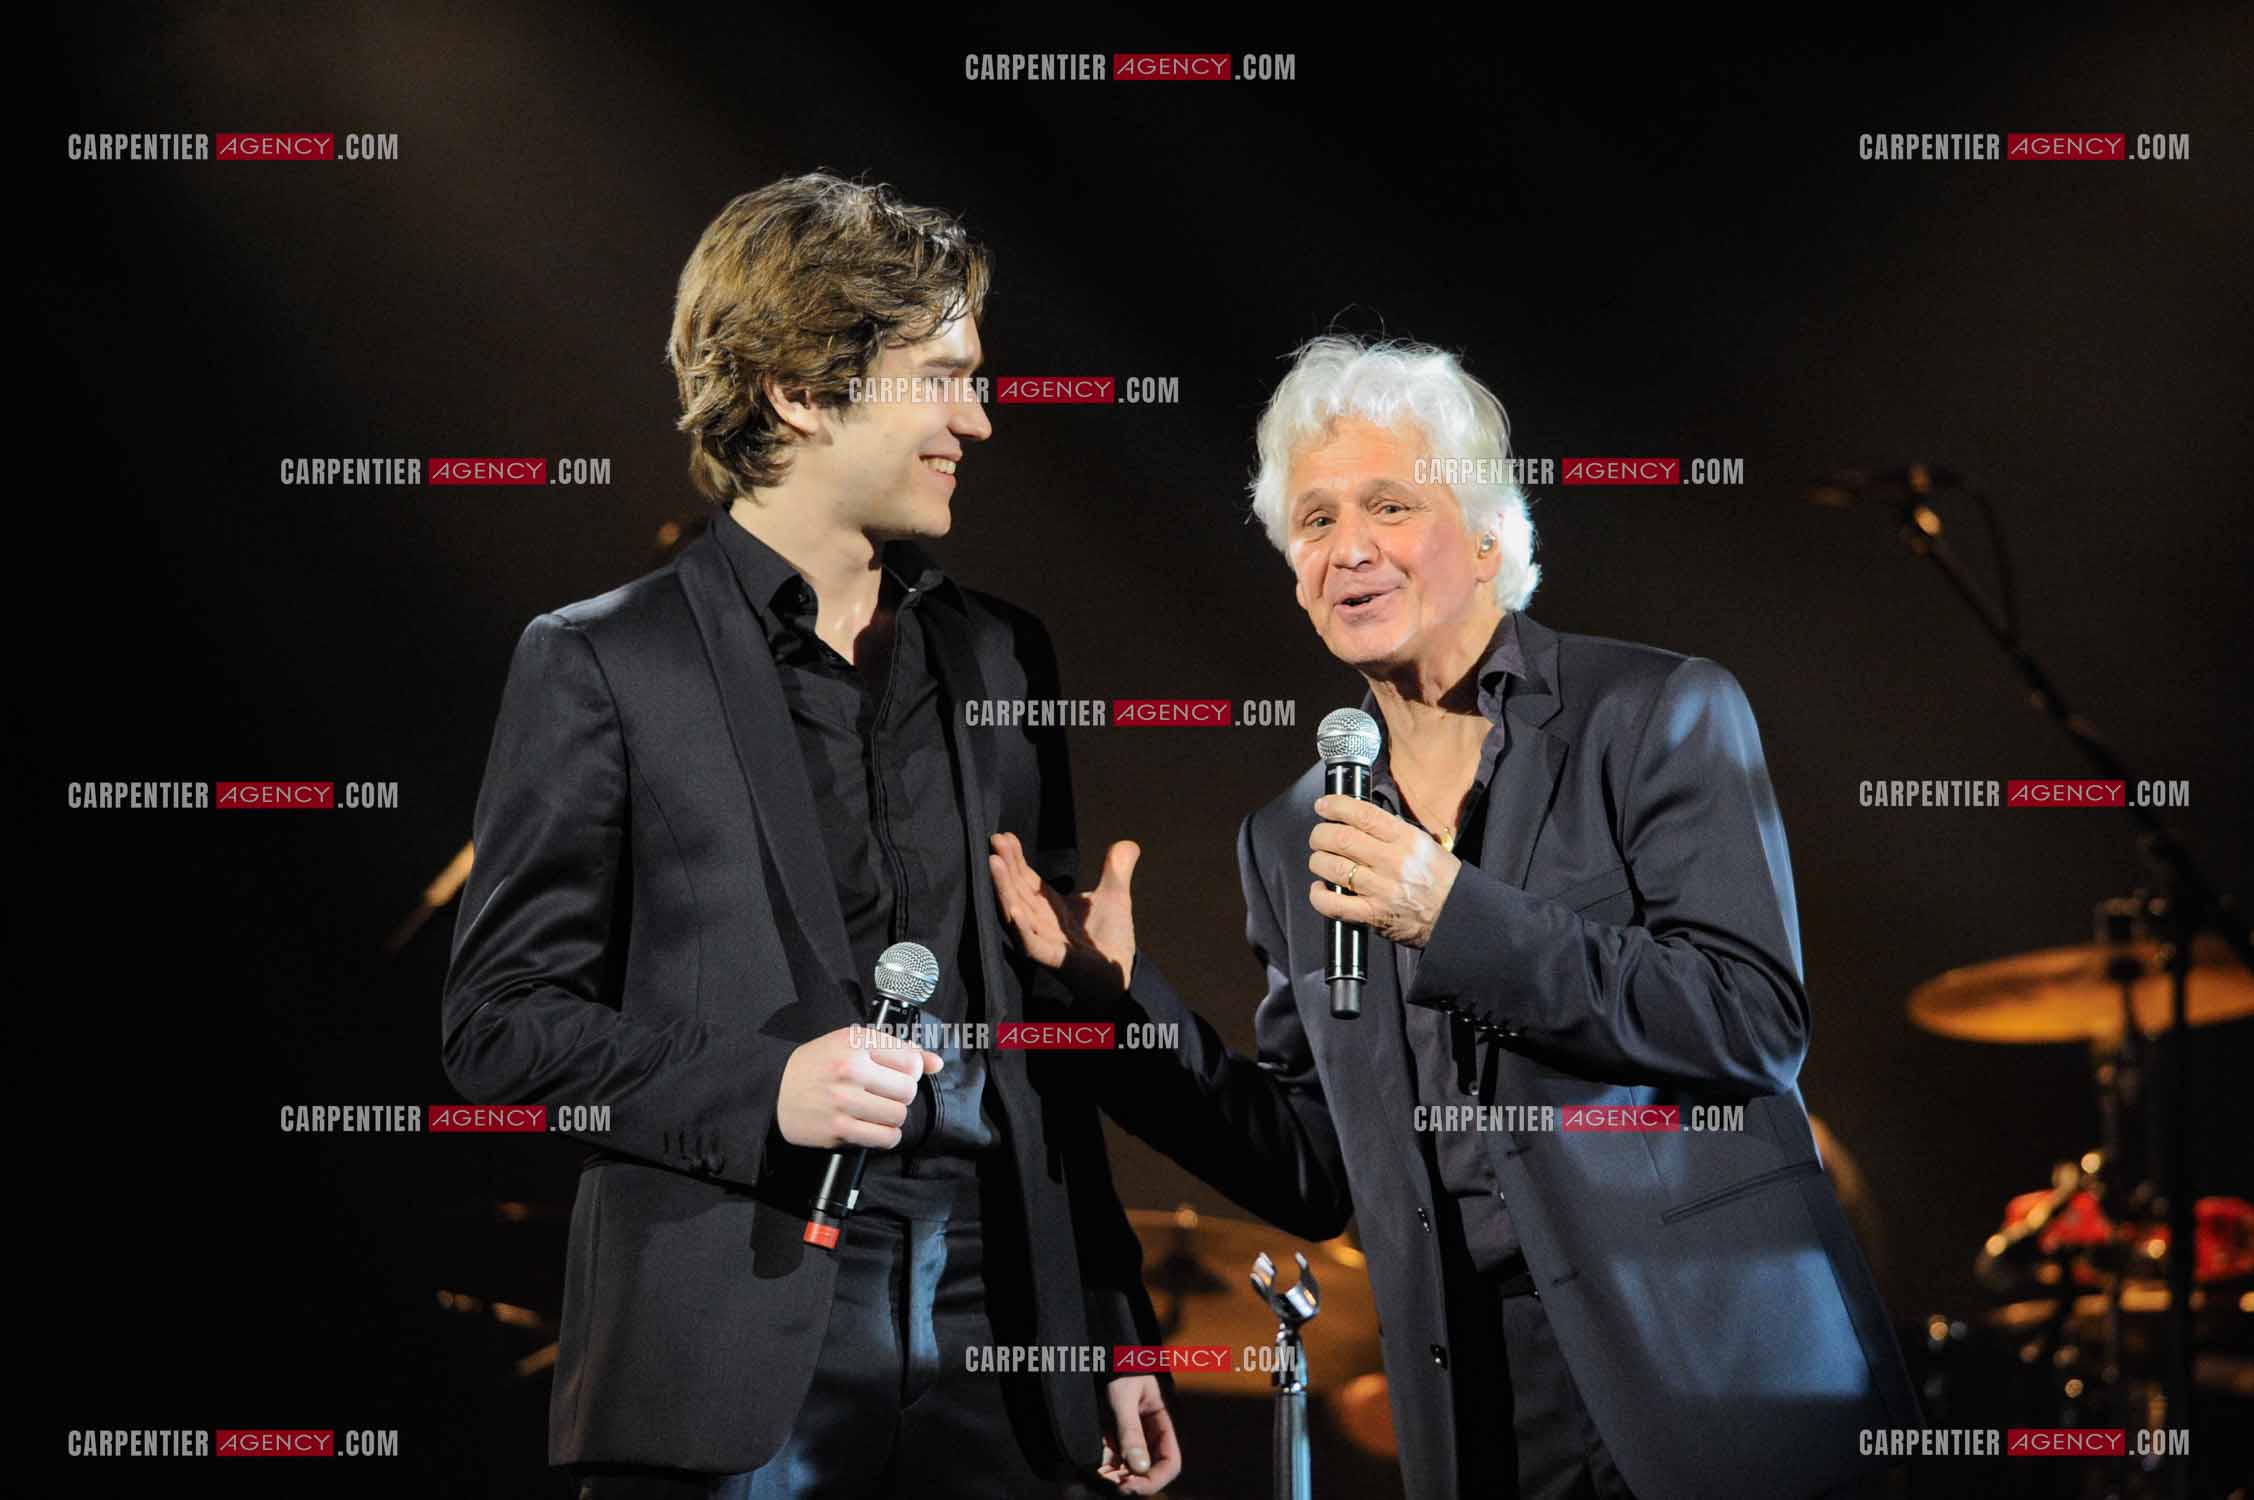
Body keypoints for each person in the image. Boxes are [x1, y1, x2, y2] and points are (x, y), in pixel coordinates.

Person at [988, 334, 1918, 1499]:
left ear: (1488, 539)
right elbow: (1319, 1167)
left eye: (1388, 503)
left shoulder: (1652, 715)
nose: (1348, 548)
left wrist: (1450, 912)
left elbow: (1748, 1022)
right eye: (1314, 521)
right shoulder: (1292, 833)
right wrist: (1123, 1010)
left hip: (1708, 1378)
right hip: (1479, 1409)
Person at [442, 172, 1180, 1498]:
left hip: (997, 1325)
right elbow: (498, 1026)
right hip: (726, 1340)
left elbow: (1043, 1039)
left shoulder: (1003, 654)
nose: (981, 416)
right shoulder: (603, 662)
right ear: (800, 389)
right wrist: (765, 1092)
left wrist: (1110, 1310)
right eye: (944, 375)